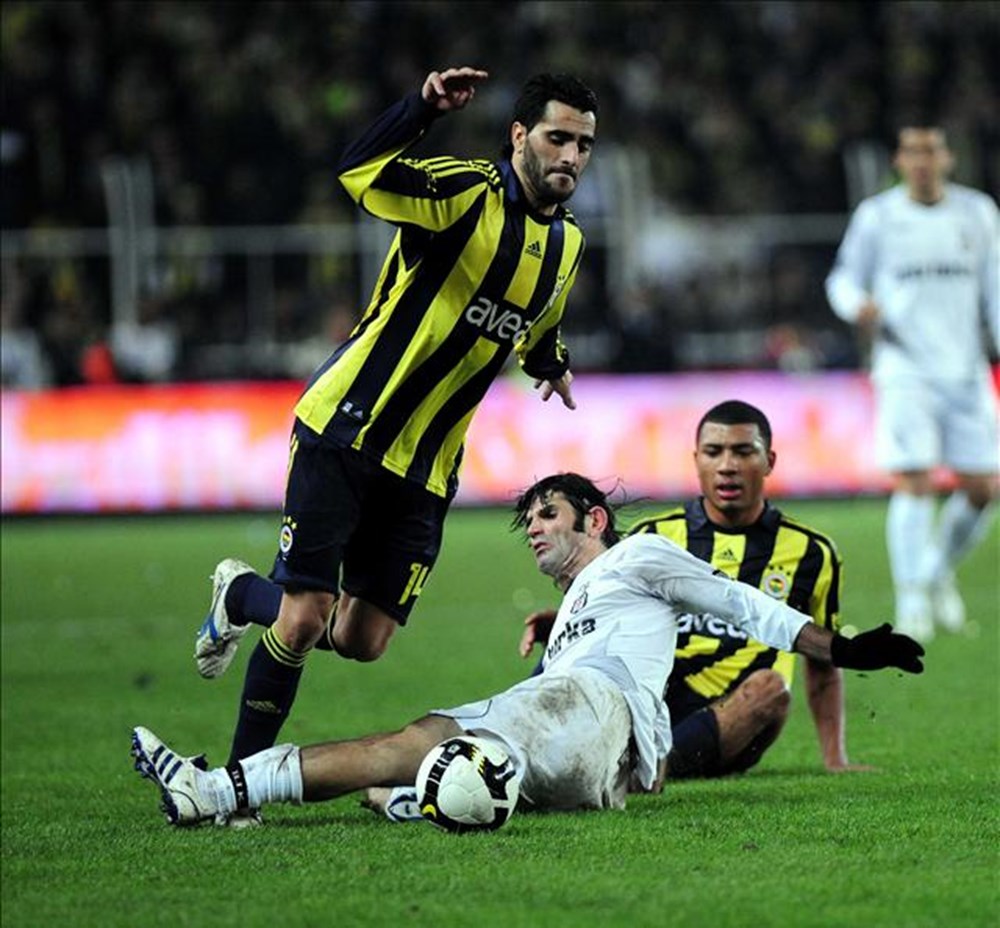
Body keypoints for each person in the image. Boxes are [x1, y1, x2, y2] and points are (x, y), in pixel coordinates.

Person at [191, 66, 600, 819]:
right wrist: (420, 109)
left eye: (581, 143)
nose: (570, 156)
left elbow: (536, 321)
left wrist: (551, 361)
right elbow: (358, 172)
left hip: (427, 468)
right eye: (556, 138)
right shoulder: (466, 192)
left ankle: (241, 592)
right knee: (307, 615)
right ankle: (235, 787)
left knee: (362, 637)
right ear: (520, 136)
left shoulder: (568, 244)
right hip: (347, 428)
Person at [131, 473, 924, 827]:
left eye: (550, 513)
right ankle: (426, 800)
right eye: (530, 520)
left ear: (595, 520)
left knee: (408, 745)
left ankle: (218, 790)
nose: (537, 527)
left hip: (592, 707)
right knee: (408, 763)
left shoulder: (639, 556)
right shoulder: (586, 597)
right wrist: (562, 629)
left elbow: (744, 603)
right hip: (590, 740)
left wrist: (844, 650)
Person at [367, 400, 864, 819]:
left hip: (727, 712)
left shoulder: (812, 552)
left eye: (742, 452)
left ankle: (615, 769)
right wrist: (561, 620)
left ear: (769, 459)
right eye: (714, 452)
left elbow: (822, 664)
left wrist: (836, 757)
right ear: (696, 460)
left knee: (770, 690)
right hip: (649, 689)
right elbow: (602, 602)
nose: (728, 465)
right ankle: (462, 763)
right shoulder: (655, 536)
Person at [825, 126, 999, 642]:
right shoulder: (878, 216)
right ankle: (913, 602)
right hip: (904, 368)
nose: (923, 160)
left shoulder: (979, 213)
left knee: (983, 488)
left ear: (947, 157)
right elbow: (842, 279)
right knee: (916, 480)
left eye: (932, 150)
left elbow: (994, 287)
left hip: (964, 367)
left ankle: (935, 570)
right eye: (913, 151)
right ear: (900, 159)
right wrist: (858, 305)